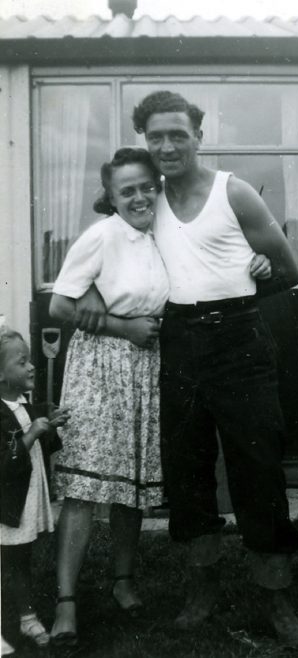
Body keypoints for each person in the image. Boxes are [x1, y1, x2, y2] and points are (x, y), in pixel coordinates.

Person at [78, 91, 298, 646]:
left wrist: (256, 272)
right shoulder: (143, 198)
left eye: (177, 134)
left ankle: (276, 600)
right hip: (177, 341)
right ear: (145, 141)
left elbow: (292, 270)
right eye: (155, 137)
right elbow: (99, 245)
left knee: (259, 469)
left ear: (199, 136)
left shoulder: (234, 193)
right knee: (187, 474)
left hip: (240, 339)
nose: (166, 146)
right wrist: (86, 287)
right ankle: (200, 591)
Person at [48, 147, 170, 647]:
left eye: (147, 186)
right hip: (100, 366)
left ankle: (123, 582)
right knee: (84, 489)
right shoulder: (100, 236)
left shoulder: (168, 233)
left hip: (147, 367)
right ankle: (66, 604)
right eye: (128, 190)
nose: (140, 196)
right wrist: (123, 326)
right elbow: (59, 303)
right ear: (111, 197)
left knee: (131, 485)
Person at [0, 327, 69, 654]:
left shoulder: (23, 404)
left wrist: (48, 423)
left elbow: (42, 437)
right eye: (21, 361)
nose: (31, 367)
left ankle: (26, 617)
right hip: (4, 505)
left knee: (19, 559)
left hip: (20, 502)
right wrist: (29, 437)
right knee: (6, 563)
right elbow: (4, 463)